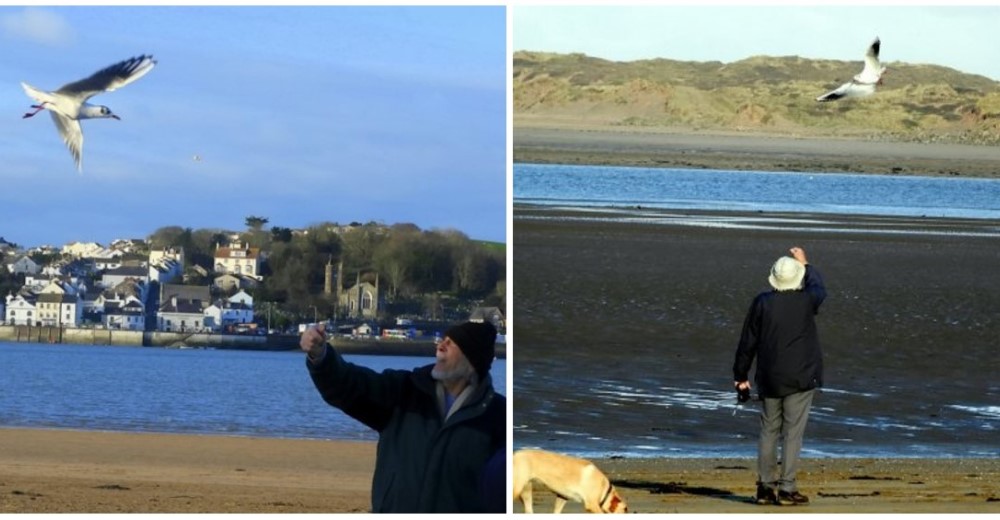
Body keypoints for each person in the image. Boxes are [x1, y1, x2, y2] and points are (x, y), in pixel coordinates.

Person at [300, 321, 506, 513]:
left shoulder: (497, 416)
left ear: (471, 362)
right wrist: (321, 357)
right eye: (443, 340)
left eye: (451, 344)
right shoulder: (405, 391)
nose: (440, 346)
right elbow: (350, 385)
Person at [733, 246, 826, 506]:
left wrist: (740, 374)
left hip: (771, 375)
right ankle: (786, 488)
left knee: (769, 430)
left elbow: (747, 341)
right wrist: (806, 264)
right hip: (800, 376)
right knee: (792, 433)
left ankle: (765, 488)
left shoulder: (763, 302)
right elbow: (820, 289)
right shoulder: (807, 299)